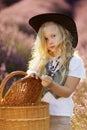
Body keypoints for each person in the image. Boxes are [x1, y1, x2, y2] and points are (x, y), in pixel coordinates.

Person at [27, 13, 86, 130]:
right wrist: (31, 77)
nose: (50, 41)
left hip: (60, 117)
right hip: (38, 115)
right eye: (46, 38)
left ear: (64, 34)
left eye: (53, 35)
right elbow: (31, 86)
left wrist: (51, 85)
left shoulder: (74, 61)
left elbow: (67, 91)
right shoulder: (40, 61)